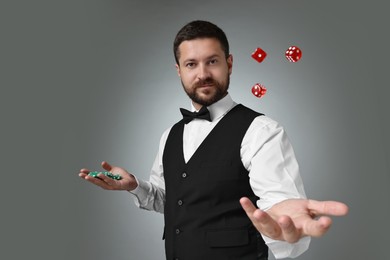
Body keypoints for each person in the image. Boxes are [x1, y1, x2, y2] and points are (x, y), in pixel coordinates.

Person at [79, 20, 348, 260]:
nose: (203, 74)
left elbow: (281, 209)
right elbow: (172, 200)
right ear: (179, 71)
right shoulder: (170, 135)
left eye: (212, 61)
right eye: (191, 64)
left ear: (229, 63)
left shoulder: (261, 131)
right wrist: (134, 186)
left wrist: (287, 230)